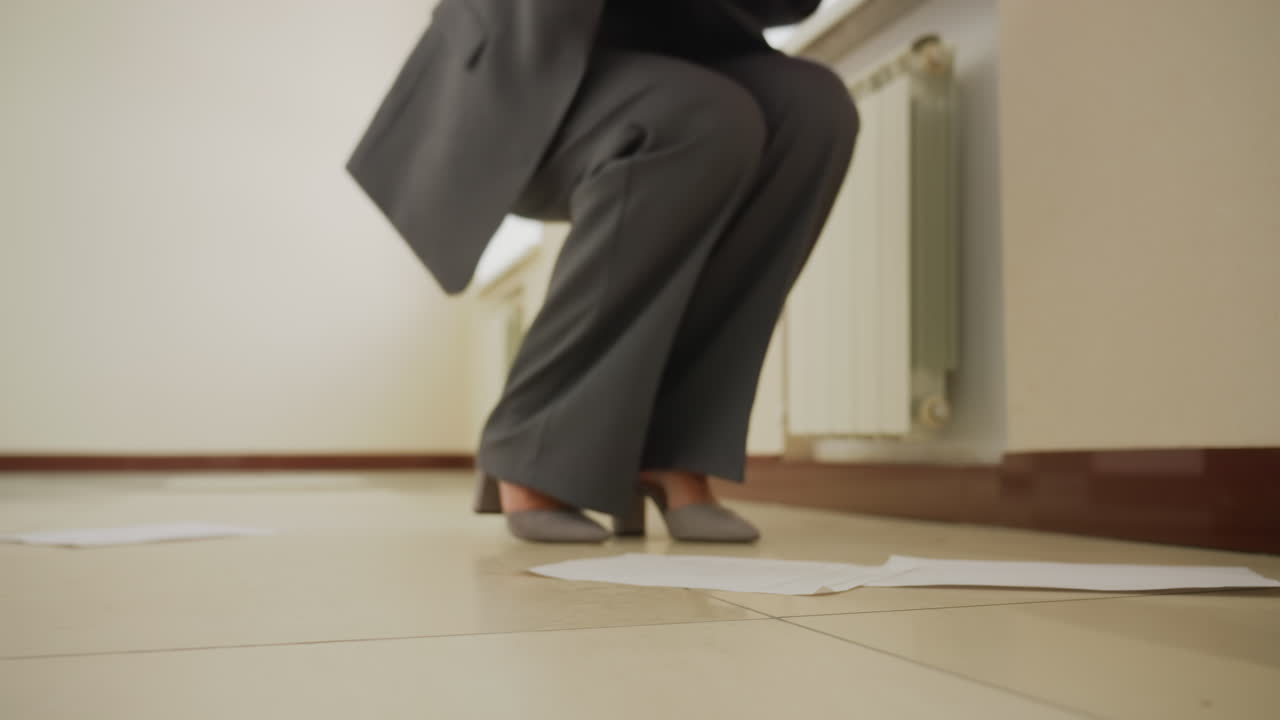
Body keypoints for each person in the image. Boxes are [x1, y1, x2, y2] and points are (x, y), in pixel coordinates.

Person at [348, 0, 858, 543]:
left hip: (687, 47)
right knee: (699, 116)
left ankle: (671, 452)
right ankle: (534, 450)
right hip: (529, 59)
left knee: (813, 109)